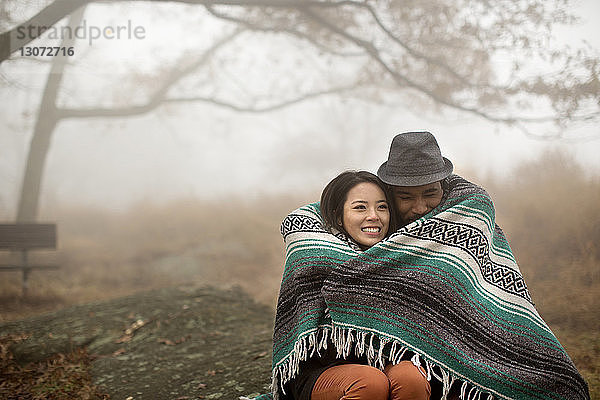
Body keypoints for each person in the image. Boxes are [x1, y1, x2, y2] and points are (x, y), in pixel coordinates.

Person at [257, 131, 589, 400]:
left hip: (415, 357)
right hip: (330, 365)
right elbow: (321, 212)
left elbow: (485, 301)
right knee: (370, 384)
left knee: (411, 378)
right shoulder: (321, 244)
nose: (419, 207)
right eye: (405, 197)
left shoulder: (458, 230)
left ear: (443, 187)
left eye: (429, 194)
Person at [288, 170, 429, 400]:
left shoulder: (402, 258)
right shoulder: (315, 255)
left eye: (382, 207)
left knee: (411, 377)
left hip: (386, 361)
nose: (374, 216)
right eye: (360, 207)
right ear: (338, 214)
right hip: (324, 370)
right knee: (370, 382)